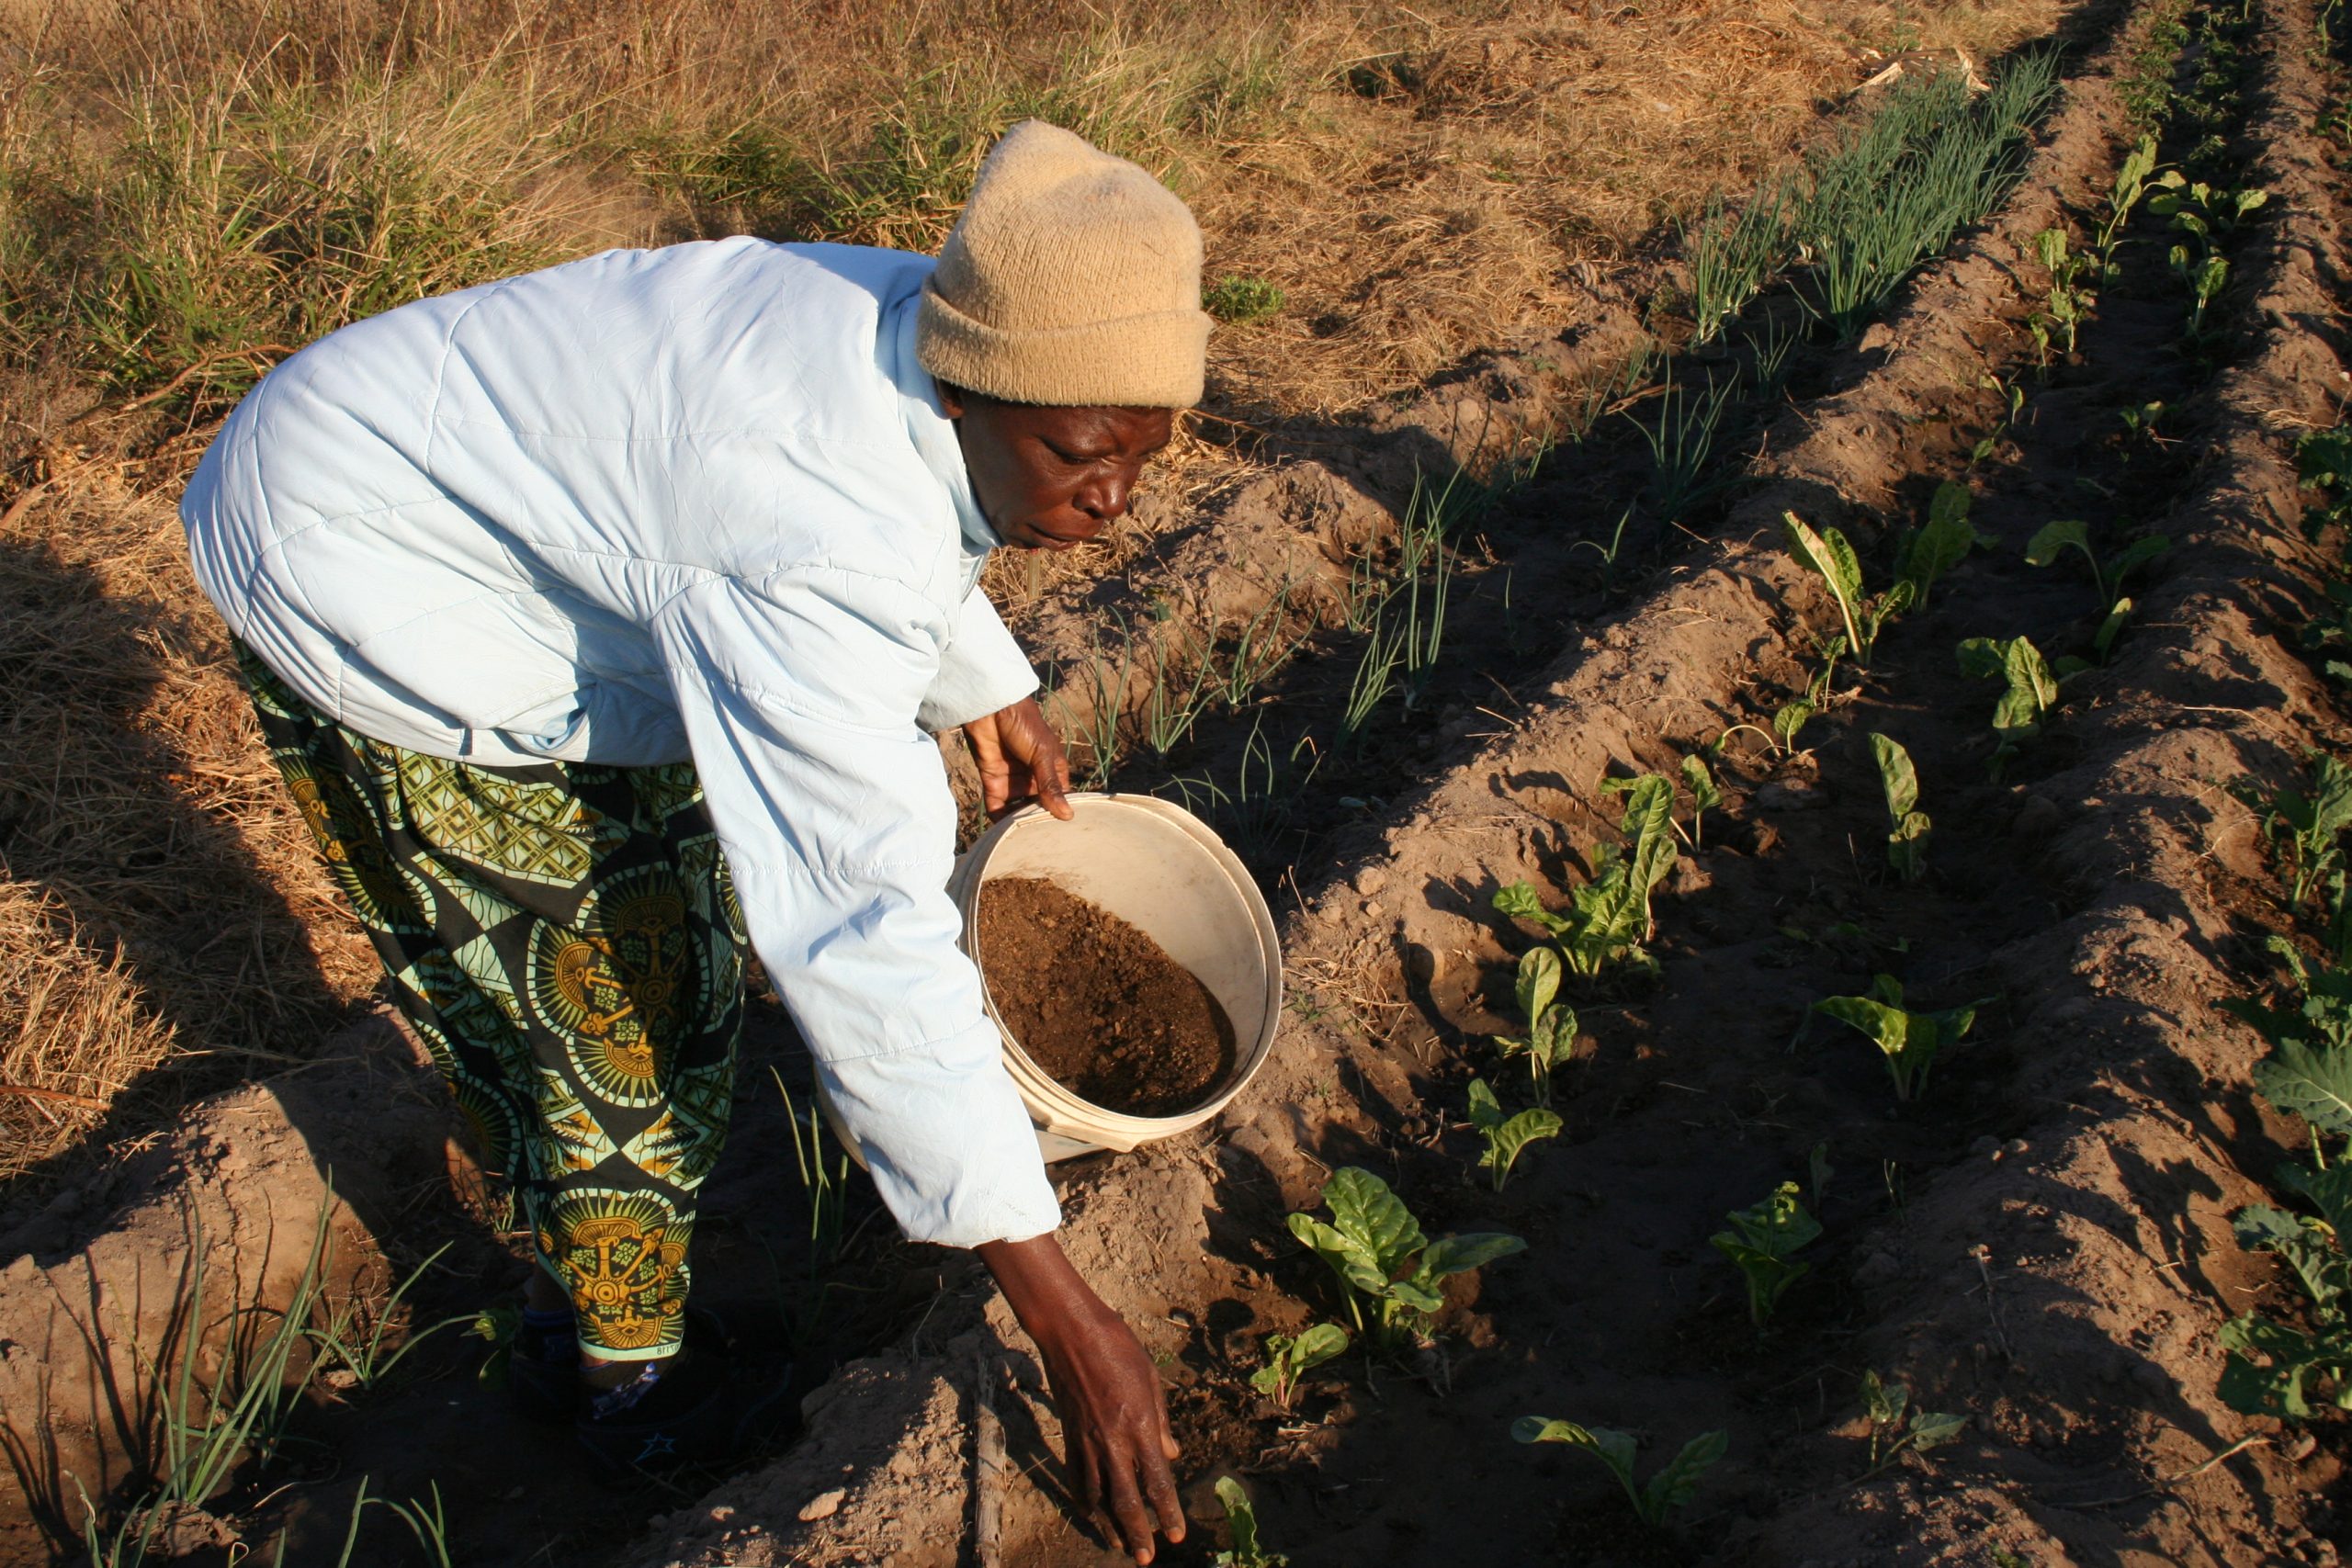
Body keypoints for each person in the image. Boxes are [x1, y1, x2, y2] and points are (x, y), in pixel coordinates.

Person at [179, 119, 1206, 1564]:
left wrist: (990, 679)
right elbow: (859, 924)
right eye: (1085, 459)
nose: (1116, 502)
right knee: (612, 1030)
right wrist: (1062, 1307)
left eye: (1146, 459)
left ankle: (582, 1316)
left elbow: (899, 515)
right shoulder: (809, 520)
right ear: (969, 384)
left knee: (665, 974)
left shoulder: (937, 329)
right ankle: (625, 1396)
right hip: (366, 566)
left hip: (473, 493)